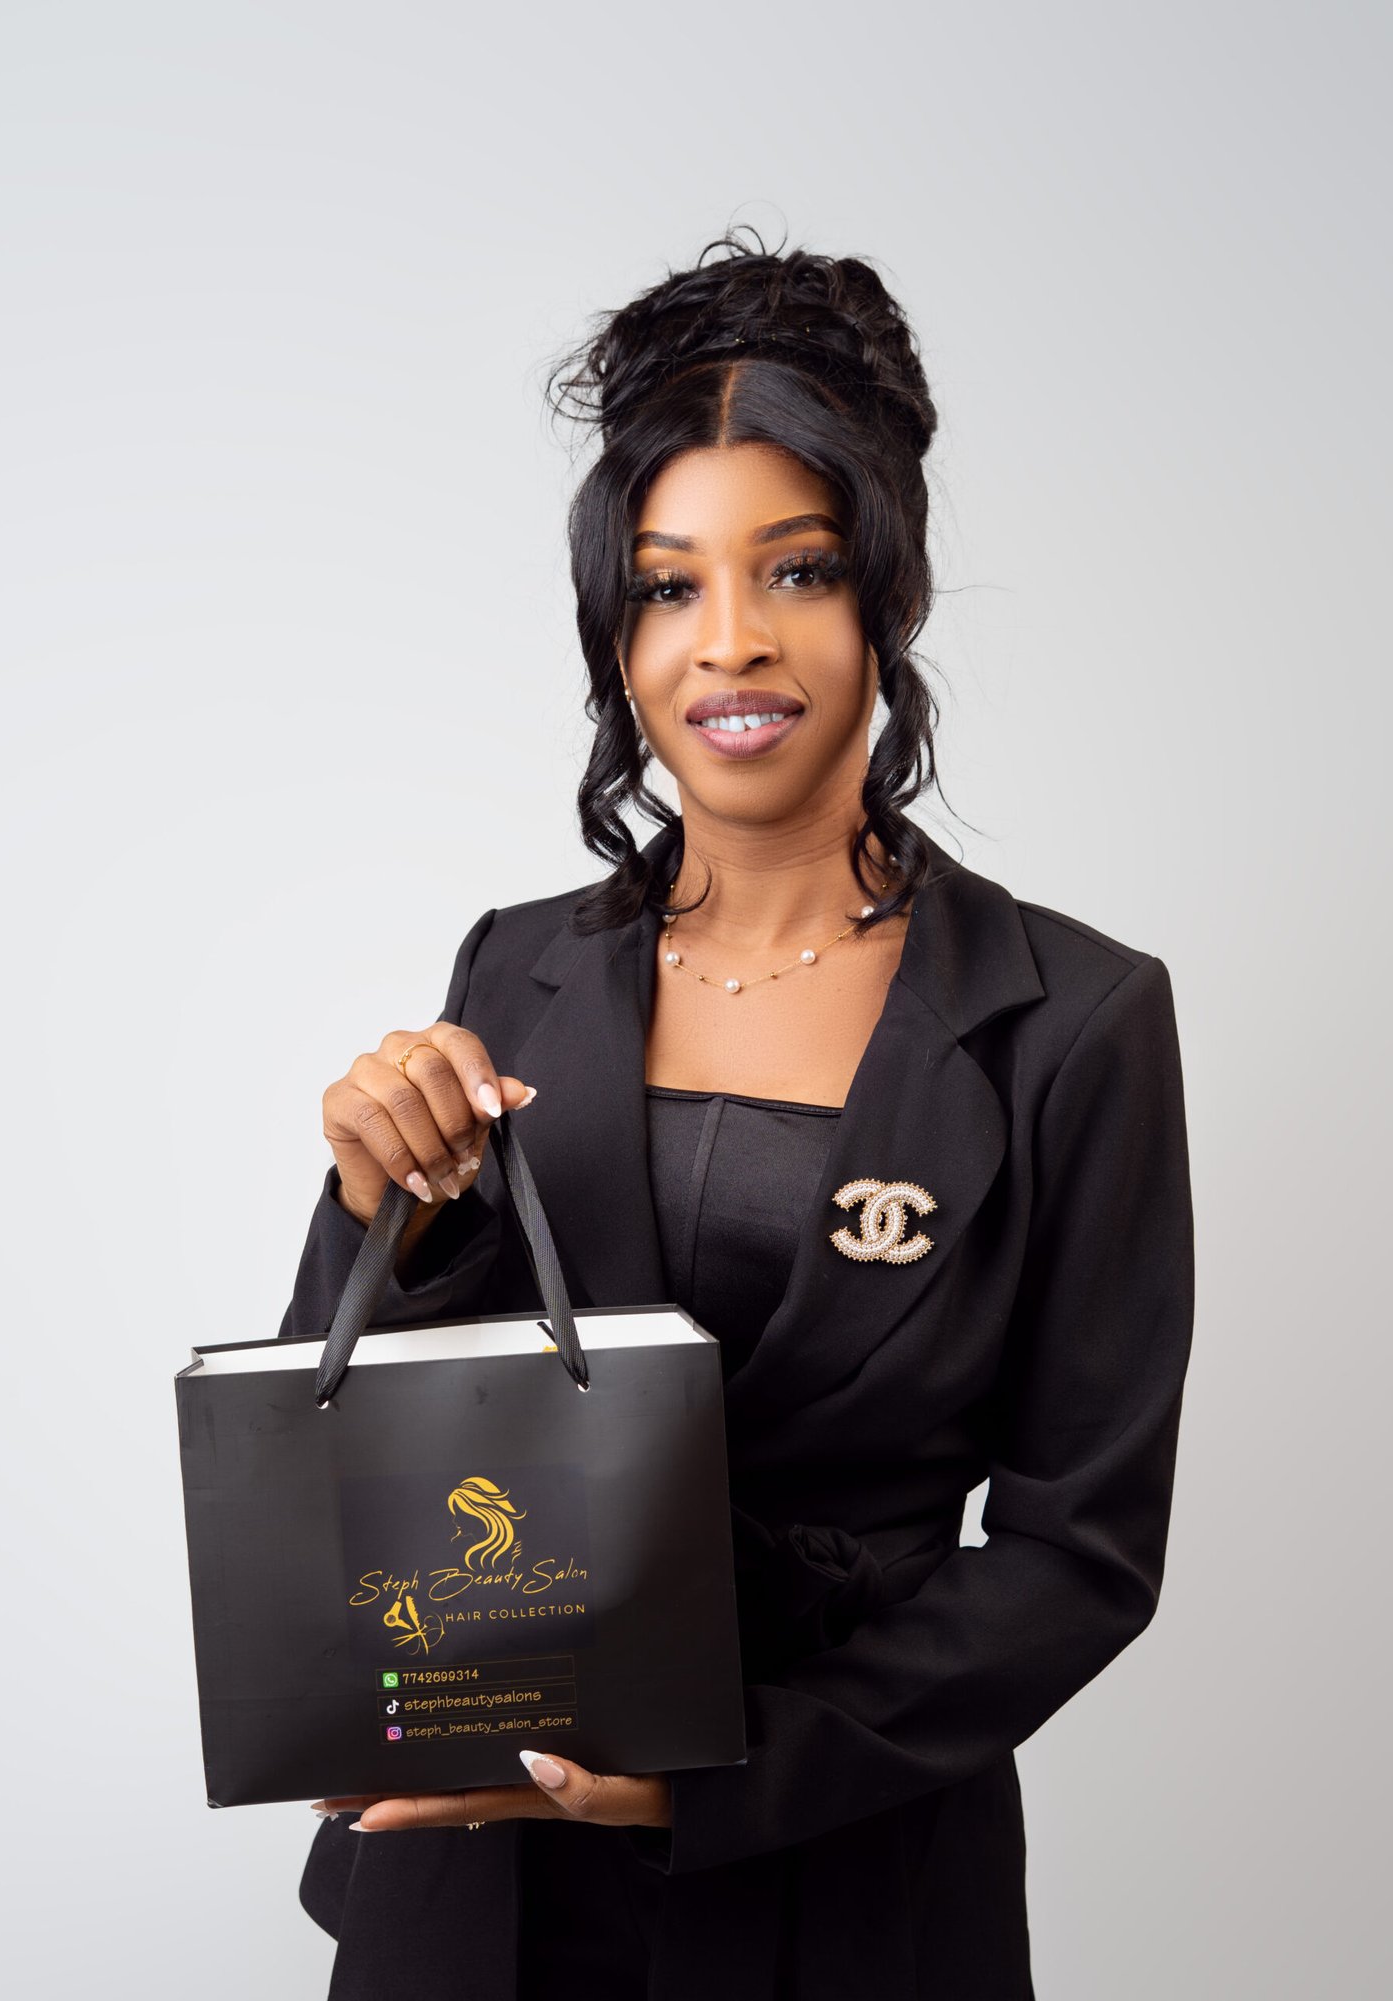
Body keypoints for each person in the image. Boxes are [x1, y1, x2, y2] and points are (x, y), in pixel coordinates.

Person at [276, 227, 1197, 2001]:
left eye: (798, 569)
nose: (731, 642)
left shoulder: (1076, 1020)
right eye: (668, 586)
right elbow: (356, 1434)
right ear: (616, 632)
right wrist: (384, 1198)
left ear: (889, 596)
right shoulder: (514, 965)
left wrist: (721, 1773)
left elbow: (1080, 1552)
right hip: (484, 1878)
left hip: (841, 1874)